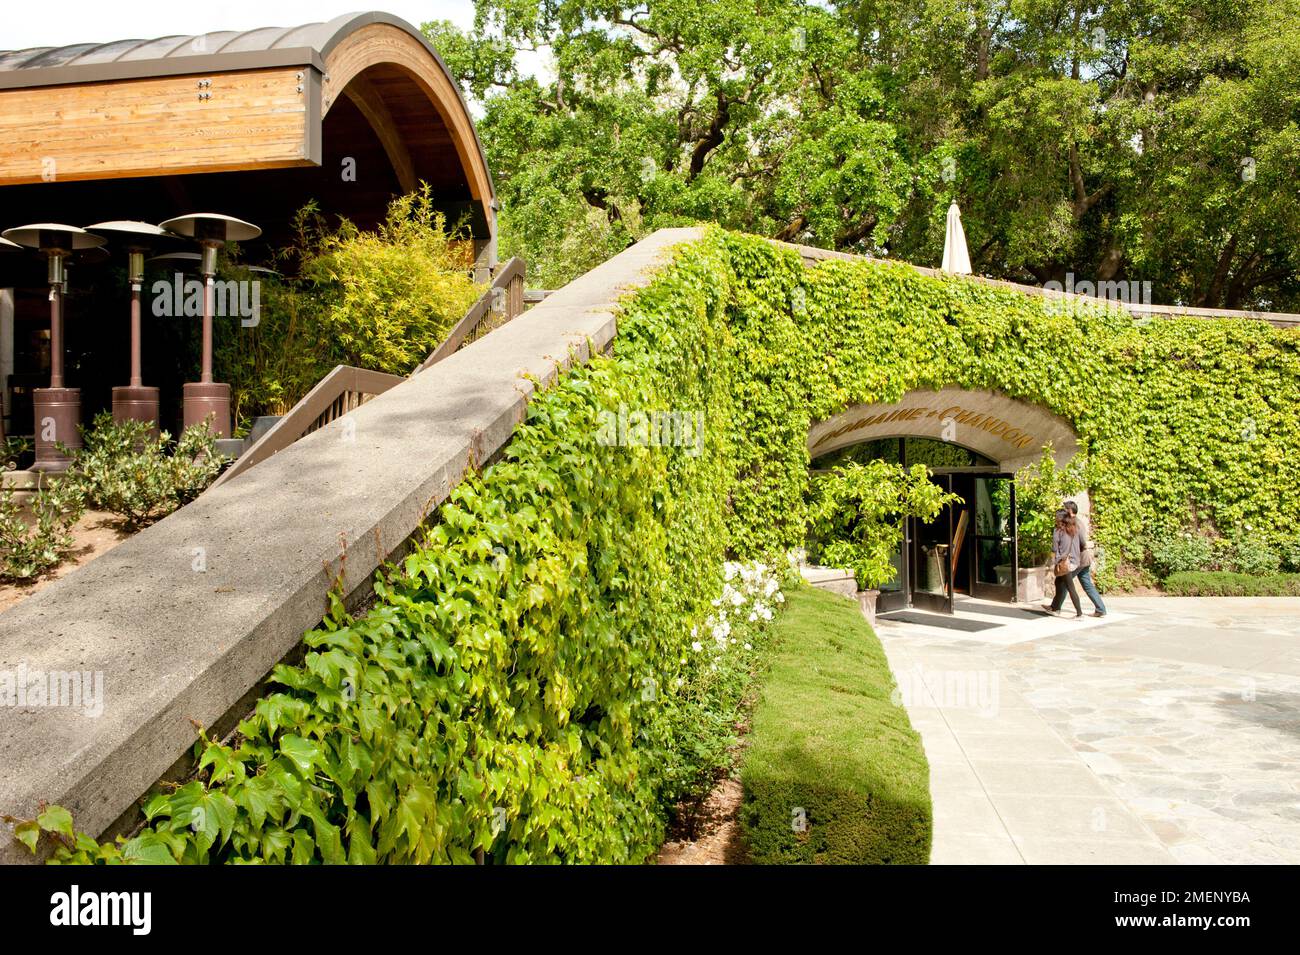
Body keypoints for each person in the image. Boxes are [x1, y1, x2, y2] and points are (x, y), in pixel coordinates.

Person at [1063, 500, 1106, 617]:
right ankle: (1101, 609)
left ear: (1070, 511)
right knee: (1087, 584)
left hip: (1079, 559)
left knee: (1064, 581)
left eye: (1065, 509)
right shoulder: (1077, 522)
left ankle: (1055, 607)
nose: (1063, 511)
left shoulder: (1076, 523)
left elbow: (1082, 541)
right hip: (1083, 559)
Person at [1043, 509, 1083, 617]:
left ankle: (1079, 613)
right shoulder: (1073, 528)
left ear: (1058, 518)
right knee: (1058, 582)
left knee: (1070, 587)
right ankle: (1055, 607)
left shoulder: (1058, 531)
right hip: (1073, 560)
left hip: (1064, 562)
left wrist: (1055, 561)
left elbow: (1055, 548)